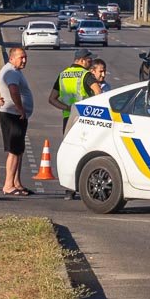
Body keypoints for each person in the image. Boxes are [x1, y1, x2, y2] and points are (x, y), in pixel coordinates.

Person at [49, 49, 102, 199]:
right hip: (84, 118)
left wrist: (68, 108)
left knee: (69, 152)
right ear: (82, 60)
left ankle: (69, 190)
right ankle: (89, 187)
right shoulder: (86, 75)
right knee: (88, 151)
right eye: (89, 60)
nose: (91, 63)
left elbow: (52, 99)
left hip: (68, 119)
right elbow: (98, 92)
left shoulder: (62, 75)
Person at [0, 46, 33, 196]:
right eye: (21, 58)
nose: (24, 60)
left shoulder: (14, 71)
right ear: (11, 58)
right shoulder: (11, 72)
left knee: (19, 150)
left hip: (15, 114)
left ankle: (16, 183)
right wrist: (20, 108)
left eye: (25, 57)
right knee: (14, 151)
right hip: (12, 115)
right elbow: (13, 90)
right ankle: (8, 185)